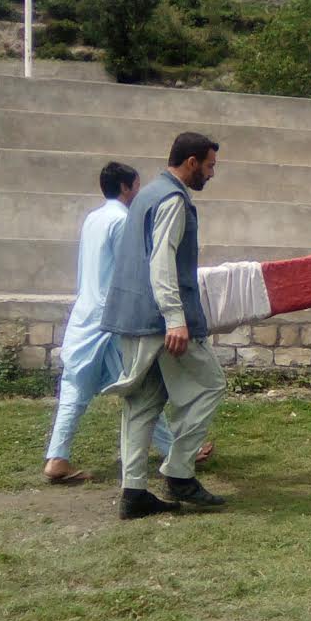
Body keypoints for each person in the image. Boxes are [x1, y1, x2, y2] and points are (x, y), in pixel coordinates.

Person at [102, 133, 227, 520]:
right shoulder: (172, 199)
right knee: (211, 385)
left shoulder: (147, 195)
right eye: (209, 166)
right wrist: (175, 318)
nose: (211, 174)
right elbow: (161, 261)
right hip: (161, 321)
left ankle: (134, 492)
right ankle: (179, 471)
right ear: (191, 162)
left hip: (132, 317)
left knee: (143, 402)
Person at [41, 163, 174, 483]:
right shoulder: (122, 221)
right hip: (110, 318)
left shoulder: (93, 219)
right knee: (138, 385)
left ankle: (57, 457)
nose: (139, 192)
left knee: (75, 387)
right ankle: (176, 451)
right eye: (137, 186)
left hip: (85, 315)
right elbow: (131, 272)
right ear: (126, 188)